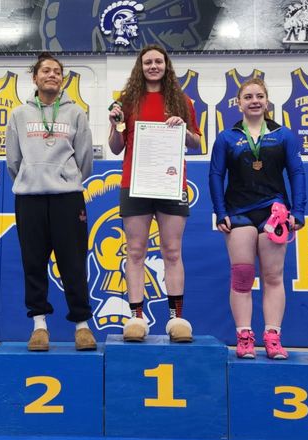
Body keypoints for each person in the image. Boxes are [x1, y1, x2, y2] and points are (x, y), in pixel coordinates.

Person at [108, 44, 202, 343]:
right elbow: (115, 147)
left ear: (166, 65)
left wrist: (183, 127)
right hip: (134, 183)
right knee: (135, 252)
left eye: (158, 61)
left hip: (170, 184)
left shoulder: (182, 100)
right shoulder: (126, 101)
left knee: (172, 252)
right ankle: (136, 318)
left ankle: (176, 319)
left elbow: (196, 143)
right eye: (147, 61)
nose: (153, 66)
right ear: (140, 66)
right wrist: (113, 126)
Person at [209, 78, 306, 360]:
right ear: (238, 103)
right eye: (248, 96)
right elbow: (216, 175)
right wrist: (220, 211)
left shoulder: (284, 135)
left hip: (274, 210)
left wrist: (297, 211)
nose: (254, 100)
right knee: (241, 277)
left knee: (273, 276)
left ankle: (273, 336)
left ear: (267, 101)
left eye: (259, 96)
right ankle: (244, 336)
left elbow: (296, 173)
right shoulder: (227, 138)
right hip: (238, 212)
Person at [6, 52, 96, 351]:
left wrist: (64, 178)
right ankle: (39, 325)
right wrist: (33, 177)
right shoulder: (19, 114)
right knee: (33, 263)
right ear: (35, 77)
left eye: (57, 71)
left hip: (67, 198)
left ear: (62, 78)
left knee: (73, 263)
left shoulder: (76, 113)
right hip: (30, 198)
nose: (52, 75)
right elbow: (13, 161)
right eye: (46, 70)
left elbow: (84, 159)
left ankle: (82, 325)